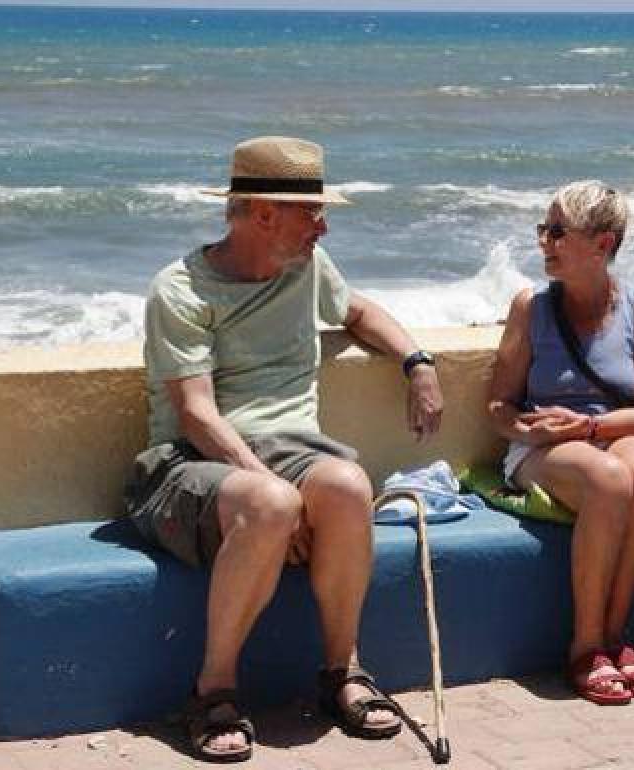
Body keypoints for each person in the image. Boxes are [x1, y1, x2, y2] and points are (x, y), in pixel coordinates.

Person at [124, 136, 444, 762]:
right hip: (192, 466)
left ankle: (342, 671)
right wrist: (280, 494)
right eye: (312, 213)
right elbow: (195, 413)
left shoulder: (306, 267)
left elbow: (357, 313)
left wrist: (417, 362)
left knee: (351, 485)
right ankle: (212, 690)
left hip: (293, 451)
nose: (323, 227)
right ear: (264, 213)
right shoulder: (181, 290)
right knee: (270, 503)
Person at [486, 180, 634, 706]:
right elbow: (499, 406)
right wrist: (529, 430)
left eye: (558, 232)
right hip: (546, 448)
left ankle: (617, 637)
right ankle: (586, 645)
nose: (545, 242)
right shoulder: (531, 306)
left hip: (617, 435)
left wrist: (590, 428)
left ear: (603, 243)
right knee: (608, 477)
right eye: (543, 230)